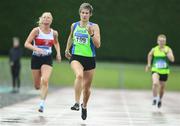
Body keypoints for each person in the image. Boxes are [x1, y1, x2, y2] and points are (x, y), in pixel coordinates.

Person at [65, 3, 101, 120]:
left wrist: (91, 34)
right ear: (79, 13)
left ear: (90, 14)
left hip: (89, 59)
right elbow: (71, 37)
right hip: (76, 57)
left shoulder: (94, 26)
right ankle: (76, 103)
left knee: (86, 89)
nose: (84, 15)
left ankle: (84, 105)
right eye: (82, 12)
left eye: (86, 13)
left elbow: (98, 44)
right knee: (79, 75)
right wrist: (67, 48)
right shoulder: (74, 25)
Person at [24, 12, 61, 112]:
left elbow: (56, 43)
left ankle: (41, 104)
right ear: (41, 19)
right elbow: (26, 43)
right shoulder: (36, 31)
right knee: (37, 86)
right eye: (44, 17)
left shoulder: (54, 33)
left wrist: (58, 53)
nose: (46, 19)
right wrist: (36, 49)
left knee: (45, 80)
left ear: (51, 20)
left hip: (47, 58)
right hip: (36, 58)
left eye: (48, 18)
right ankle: (40, 85)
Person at [145, 34, 175, 108]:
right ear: (157, 41)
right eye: (160, 41)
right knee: (155, 83)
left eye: (163, 41)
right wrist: (149, 64)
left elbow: (172, 59)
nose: (162, 42)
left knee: (162, 87)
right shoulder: (154, 49)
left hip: (164, 71)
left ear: (165, 42)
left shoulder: (168, 49)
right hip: (155, 69)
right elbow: (149, 55)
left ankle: (160, 99)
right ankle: (155, 98)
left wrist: (166, 53)